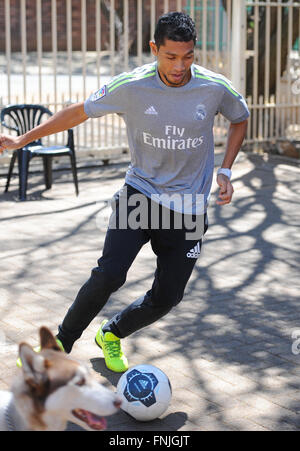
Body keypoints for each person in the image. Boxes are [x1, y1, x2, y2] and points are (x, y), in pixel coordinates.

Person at [0, 12, 249, 373]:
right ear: (154, 49)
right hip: (140, 196)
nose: (180, 66)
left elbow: (240, 116)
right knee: (109, 274)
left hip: (190, 208)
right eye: (170, 56)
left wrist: (225, 169)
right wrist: (23, 139)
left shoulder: (214, 87)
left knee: (168, 297)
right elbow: (78, 112)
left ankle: (112, 333)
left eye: (188, 56)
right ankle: (58, 347)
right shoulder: (131, 85)